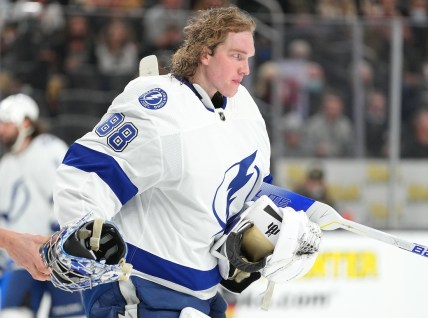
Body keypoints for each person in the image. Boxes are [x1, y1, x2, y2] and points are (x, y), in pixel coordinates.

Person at [52, 6, 321, 318]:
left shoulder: (245, 108)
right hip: (142, 291)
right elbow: (88, 172)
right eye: (236, 55)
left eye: (249, 57)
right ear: (205, 53)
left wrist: (264, 236)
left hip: (205, 295)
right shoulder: (159, 108)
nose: (246, 68)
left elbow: (249, 193)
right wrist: (84, 229)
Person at [0, 93, 85, 317]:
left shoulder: (49, 149)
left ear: (26, 122)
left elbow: (70, 195)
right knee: (11, 314)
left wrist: (66, 244)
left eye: (7, 123)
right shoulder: (5, 165)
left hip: (60, 256)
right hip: (21, 258)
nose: (2, 129)